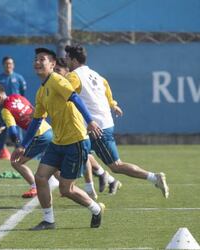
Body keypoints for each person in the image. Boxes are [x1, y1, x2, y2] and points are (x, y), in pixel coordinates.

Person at [12, 48, 105, 230]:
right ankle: (48, 220)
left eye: (42, 59)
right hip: (58, 141)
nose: (37, 62)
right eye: (36, 59)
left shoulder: (57, 80)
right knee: (40, 177)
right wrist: (23, 145)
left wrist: (90, 121)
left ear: (52, 64)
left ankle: (96, 209)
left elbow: (75, 97)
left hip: (76, 140)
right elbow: (37, 121)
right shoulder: (41, 91)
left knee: (65, 189)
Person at [64, 44, 169, 198]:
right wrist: (113, 104)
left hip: (96, 127)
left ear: (73, 59)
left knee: (116, 165)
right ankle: (91, 187)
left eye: (67, 57)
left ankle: (154, 177)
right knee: (82, 153)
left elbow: (62, 92)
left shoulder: (73, 76)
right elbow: (106, 89)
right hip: (100, 124)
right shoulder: (95, 75)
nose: (65, 60)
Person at [55, 57, 122, 195]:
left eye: (58, 70)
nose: (55, 73)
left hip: (85, 125)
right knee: (85, 154)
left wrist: (112, 104)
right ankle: (105, 178)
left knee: (83, 153)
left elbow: (104, 85)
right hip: (77, 126)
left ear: (67, 70)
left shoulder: (71, 80)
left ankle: (91, 188)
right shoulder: (59, 84)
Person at [0, 83, 53, 198]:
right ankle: (68, 187)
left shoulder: (5, 110)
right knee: (51, 163)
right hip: (49, 130)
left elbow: (13, 132)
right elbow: (27, 113)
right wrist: (5, 126)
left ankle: (34, 187)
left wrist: (18, 145)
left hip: (39, 136)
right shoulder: (17, 96)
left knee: (15, 161)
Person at [0, 56, 27, 160]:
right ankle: (0, 152)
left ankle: (19, 150)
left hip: (16, 111)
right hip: (3, 111)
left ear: (13, 65)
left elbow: (22, 94)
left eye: (10, 63)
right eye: (6, 64)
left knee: (16, 131)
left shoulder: (19, 78)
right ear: (3, 65)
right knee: (1, 131)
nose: (8, 65)